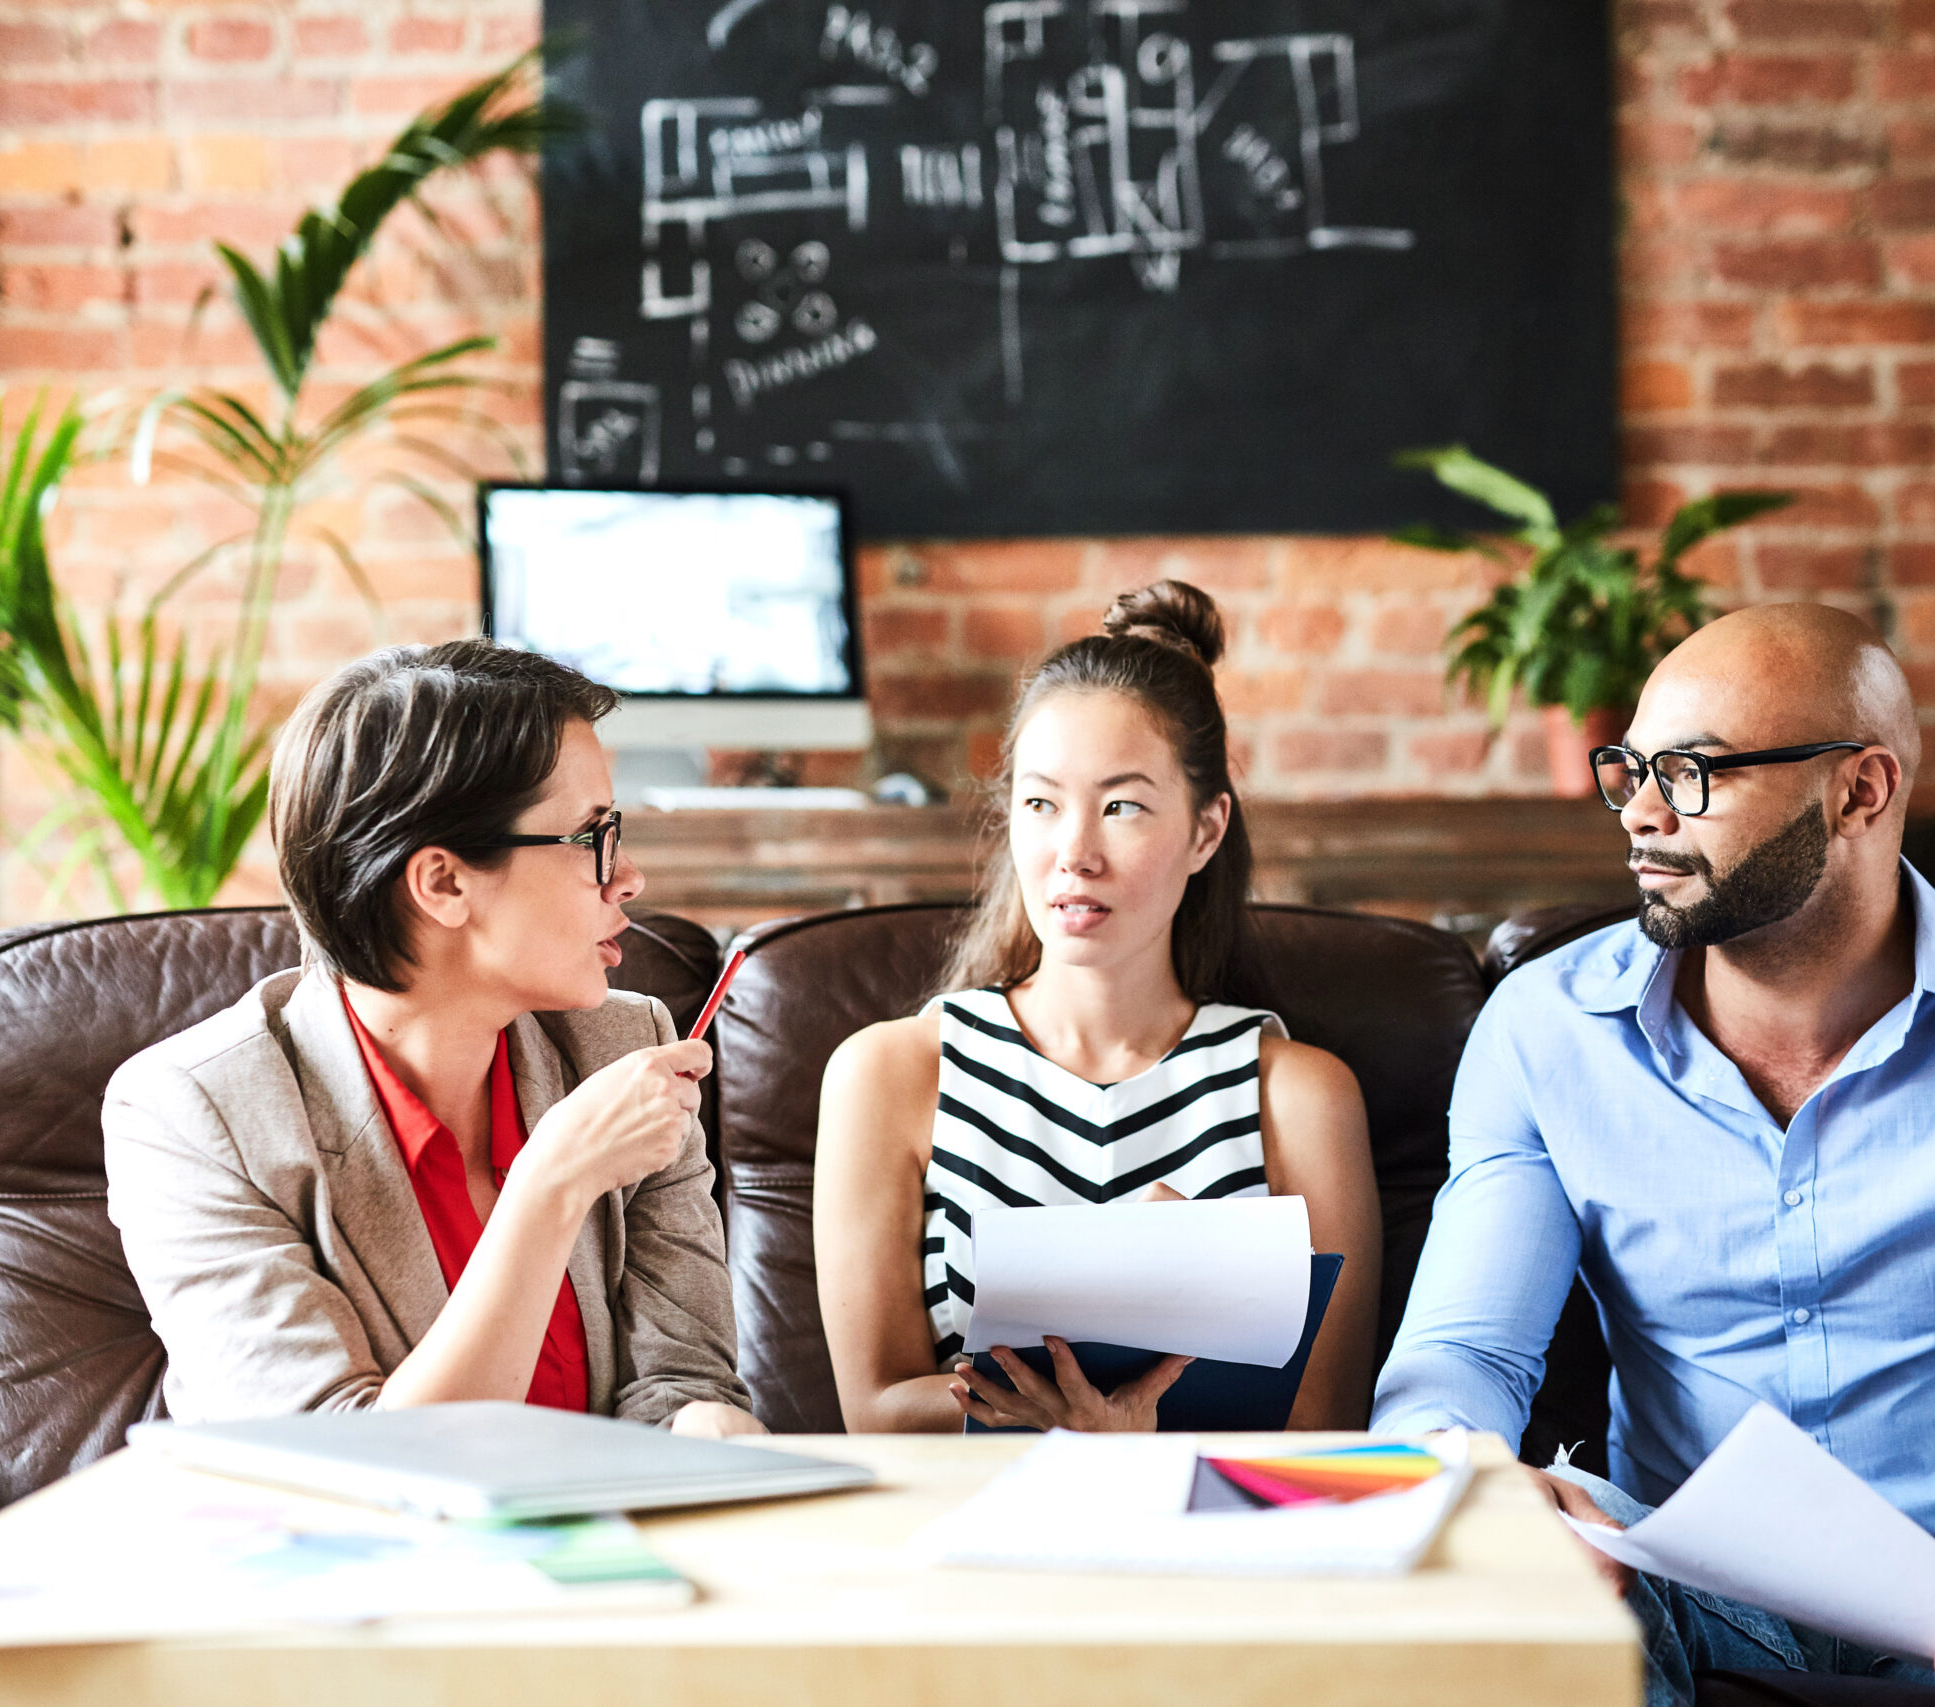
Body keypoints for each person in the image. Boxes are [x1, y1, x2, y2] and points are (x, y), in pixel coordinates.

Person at [1372, 603, 1935, 1707]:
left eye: (1694, 772)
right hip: (1689, 1597)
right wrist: (1475, 1479)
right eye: (1631, 770)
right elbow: (1467, 1354)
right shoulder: (1546, 1028)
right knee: (1500, 1563)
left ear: (1860, 790)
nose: (1641, 816)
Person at [104, 639, 764, 1436]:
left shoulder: (624, 1051)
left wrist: (710, 1431)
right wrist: (549, 1184)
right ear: (444, 883)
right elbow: (342, 1463)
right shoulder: (197, 1115)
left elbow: (682, 1379)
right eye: (594, 837)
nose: (628, 878)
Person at [814, 581, 1382, 1433]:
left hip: (1212, 1539)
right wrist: (1087, 1381)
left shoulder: (1300, 1095)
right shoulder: (891, 1072)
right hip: (972, 1532)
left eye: (1122, 806)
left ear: (1206, 829)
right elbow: (875, 1409)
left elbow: (1327, 1420)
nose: (1073, 854)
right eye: (1041, 802)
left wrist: (1129, 1417)